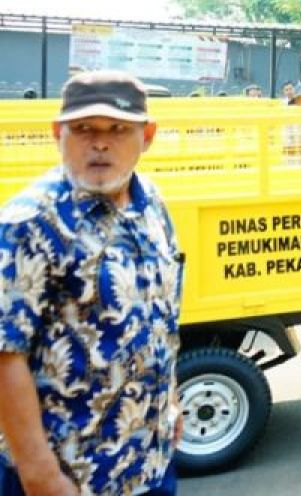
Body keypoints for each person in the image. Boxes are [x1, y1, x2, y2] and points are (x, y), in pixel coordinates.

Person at [0, 71, 182, 495]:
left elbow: (160, 314)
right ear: (58, 134)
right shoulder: (30, 223)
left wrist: (170, 399)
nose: (100, 143)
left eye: (118, 129)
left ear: (147, 136)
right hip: (70, 478)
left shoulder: (151, 204)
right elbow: (5, 353)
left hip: (149, 465)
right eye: (83, 129)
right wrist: (40, 473)